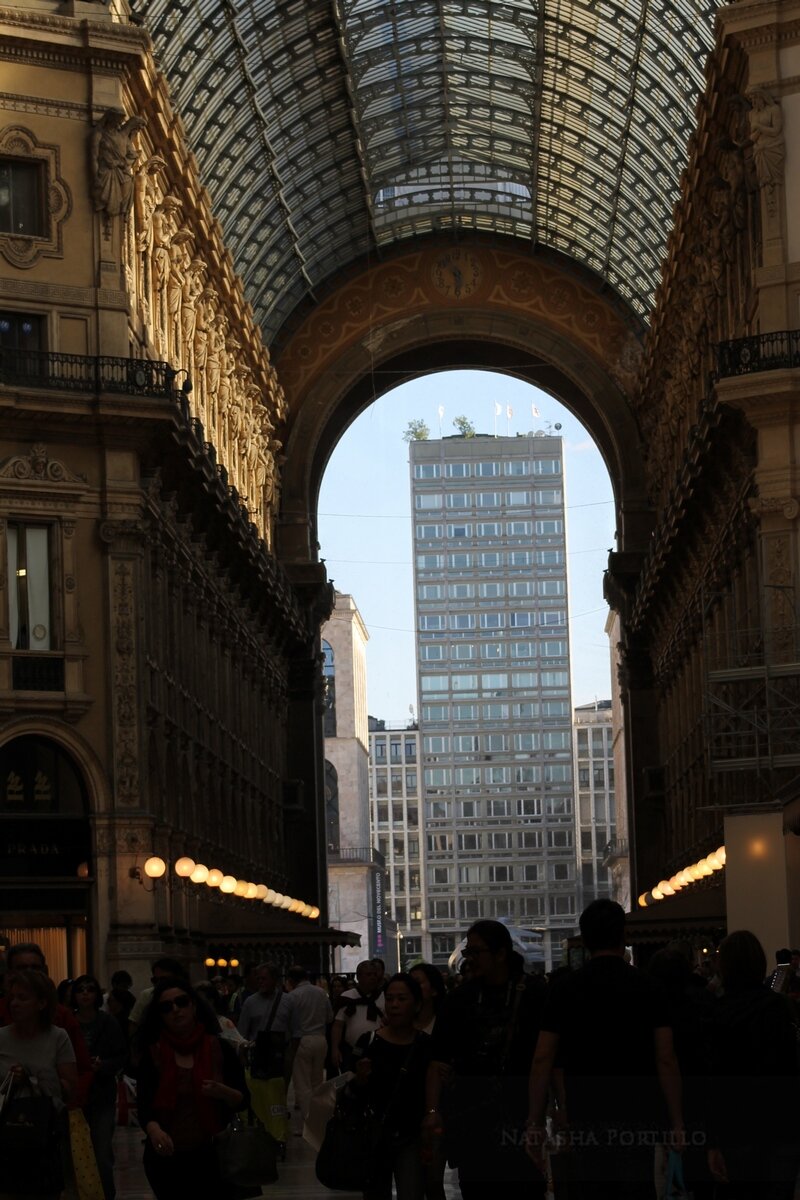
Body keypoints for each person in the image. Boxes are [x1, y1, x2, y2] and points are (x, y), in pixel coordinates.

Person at [527, 899, 682, 1200]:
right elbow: (666, 1058)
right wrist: (676, 1120)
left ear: (584, 940)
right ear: (624, 935)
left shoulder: (564, 989)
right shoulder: (648, 986)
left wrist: (534, 1121)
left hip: (585, 1110)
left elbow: (542, 1057)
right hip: (638, 1110)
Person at [425, 920, 547, 1199]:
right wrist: (433, 1112)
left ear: (501, 953)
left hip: (518, 1114)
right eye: (468, 953)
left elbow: (547, 1058)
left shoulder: (534, 994)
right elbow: (438, 1058)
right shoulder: (460, 999)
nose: (470, 959)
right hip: (471, 1118)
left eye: (476, 952)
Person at [135, 978, 249, 1198]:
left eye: (182, 1002)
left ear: (194, 1006)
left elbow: (243, 1099)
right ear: (160, 1016)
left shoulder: (220, 1049)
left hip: (213, 1154)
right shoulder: (153, 1055)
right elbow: (145, 1105)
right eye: (167, 1007)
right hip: (167, 1157)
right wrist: (154, 1130)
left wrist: (222, 1091)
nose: (176, 1010)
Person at [707, 929, 800, 1198]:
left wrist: (712, 1141)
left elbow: (715, 1079)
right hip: (781, 1125)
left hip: (736, 1127)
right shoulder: (779, 1007)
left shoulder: (718, 1012)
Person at [348, 973, 432, 1200]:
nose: (394, 1005)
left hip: (411, 1136)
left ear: (416, 1005)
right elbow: (350, 1093)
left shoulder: (426, 1046)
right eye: (390, 999)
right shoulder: (368, 1042)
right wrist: (360, 1081)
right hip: (375, 1136)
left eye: (402, 999)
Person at [0, 970, 78, 1200]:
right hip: (5, 1135)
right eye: (11, 997)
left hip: (42, 1136)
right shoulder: (1, 1037)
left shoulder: (58, 1037)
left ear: (42, 1003)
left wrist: (33, 1079)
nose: (14, 1003)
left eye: (22, 998)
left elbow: (69, 1089)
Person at [0, 942, 93, 1107]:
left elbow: (80, 1073)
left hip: (48, 1119)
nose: (28, 974)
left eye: (34, 968)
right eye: (22, 968)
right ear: (10, 974)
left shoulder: (62, 1020)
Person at [70, 975, 127, 1200]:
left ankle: (105, 1194)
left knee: (102, 1151)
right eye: (81, 990)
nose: (85, 994)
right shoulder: (69, 1022)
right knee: (76, 1150)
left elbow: (122, 1054)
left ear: (96, 995)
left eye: (90, 990)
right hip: (75, 1095)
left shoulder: (107, 1022)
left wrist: (102, 1065)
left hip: (101, 1094)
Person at [237, 962, 291, 1145]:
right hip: (257, 1057)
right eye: (258, 978)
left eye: (264, 978)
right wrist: (243, 1055)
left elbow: (295, 1032)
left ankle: (278, 1135)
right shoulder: (250, 1002)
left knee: (277, 1096)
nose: (260, 982)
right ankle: (262, 1133)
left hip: (279, 1056)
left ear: (275, 979)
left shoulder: (288, 1001)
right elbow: (242, 1033)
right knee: (259, 1096)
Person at [285, 965, 333, 1133]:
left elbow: (288, 1022)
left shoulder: (292, 996)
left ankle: (309, 1123)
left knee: (302, 1085)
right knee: (317, 1082)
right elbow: (329, 1017)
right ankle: (319, 1119)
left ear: (291, 980)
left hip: (301, 1041)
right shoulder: (321, 993)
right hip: (320, 1039)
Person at [331, 960, 386, 1072]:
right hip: (351, 1051)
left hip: (377, 1050)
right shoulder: (347, 997)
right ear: (359, 977)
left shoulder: (384, 997)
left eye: (375, 974)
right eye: (368, 974)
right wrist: (335, 1048)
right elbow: (338, 1026)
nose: (373, 978)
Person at [128, 957, 189, 1034]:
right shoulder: (147, 995)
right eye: (155, 980)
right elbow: (134, 1023)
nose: (159, 984)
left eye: (164, 980)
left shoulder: (187, 994)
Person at [409, 963, 446, 1034]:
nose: (411, 987)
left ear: (434, 990)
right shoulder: (400, 1023)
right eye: (409, 983)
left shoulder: (448, 1023)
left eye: (417, 983)